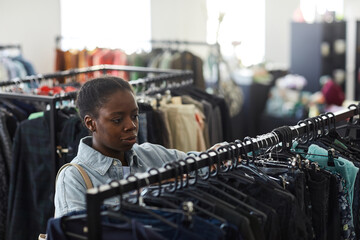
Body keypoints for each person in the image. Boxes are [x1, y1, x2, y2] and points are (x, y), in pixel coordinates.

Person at [54, 76, 192, 217]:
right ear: (91, 123)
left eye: (135, 116)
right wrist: (140, 197)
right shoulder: (73, 178)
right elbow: (77, 232)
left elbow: (201, 164)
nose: (131, 126)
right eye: (117, 120)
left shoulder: (152, 155)